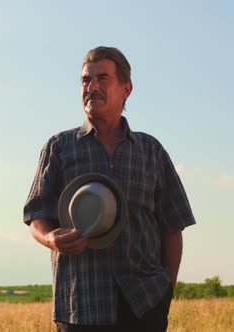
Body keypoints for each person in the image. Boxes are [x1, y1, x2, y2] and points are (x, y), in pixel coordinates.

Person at [23, 46, 196, 331]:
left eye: (102, 79)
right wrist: (52, 238)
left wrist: (165, 291)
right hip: (80, 306)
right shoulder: (59, 148)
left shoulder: (151, 151)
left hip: (144, 303)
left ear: (126, 89)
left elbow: (172, 225)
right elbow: (36, 215)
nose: (91, 87)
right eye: (85, 80)